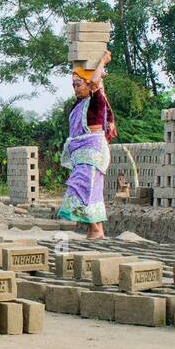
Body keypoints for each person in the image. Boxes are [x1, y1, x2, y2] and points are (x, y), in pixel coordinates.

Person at [58, 51, 116, 240]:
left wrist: (102, 61)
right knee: (91, 191)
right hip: (82, 155)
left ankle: (96, 229)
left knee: (81, 188)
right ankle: (96, 230)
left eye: (78, 84)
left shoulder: (96, 101)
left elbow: (95, 83)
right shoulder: (80, 104)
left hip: (92, 154)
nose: (75, 88)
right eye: (73, 85)